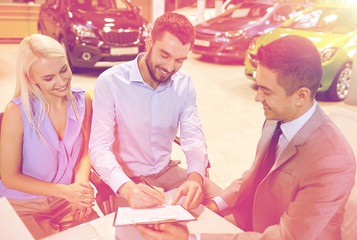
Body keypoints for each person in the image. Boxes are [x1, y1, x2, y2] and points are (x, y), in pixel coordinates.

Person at [136, 35, 356, 239]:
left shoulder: (332, 160)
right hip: (252, 220)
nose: (257, 98)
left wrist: (193, 237)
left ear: (301, 96)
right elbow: (256, 174)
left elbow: (286, 236)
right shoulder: (277, 117)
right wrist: (215, 205)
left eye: (266, 91)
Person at [89, 12, 222, 210]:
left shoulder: (184, 84)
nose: (169, 67)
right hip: (129, 180)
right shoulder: (110, 82)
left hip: (167, 171)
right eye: (164, 55)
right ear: (149, 42)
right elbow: (99, 148)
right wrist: (127, 189)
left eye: (179, 60)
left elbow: (193, 136)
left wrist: (195, 177)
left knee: (225, 205)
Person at [0, 34, 98, 239]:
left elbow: (85, 153)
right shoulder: (16, 112)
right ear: (30, 78)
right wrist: (67, 192)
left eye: (63, 70)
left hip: (66, 200)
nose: (62, 82)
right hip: (24, 205)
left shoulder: (84, 101)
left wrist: (79, 188)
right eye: (49, 78)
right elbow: (9, 178)